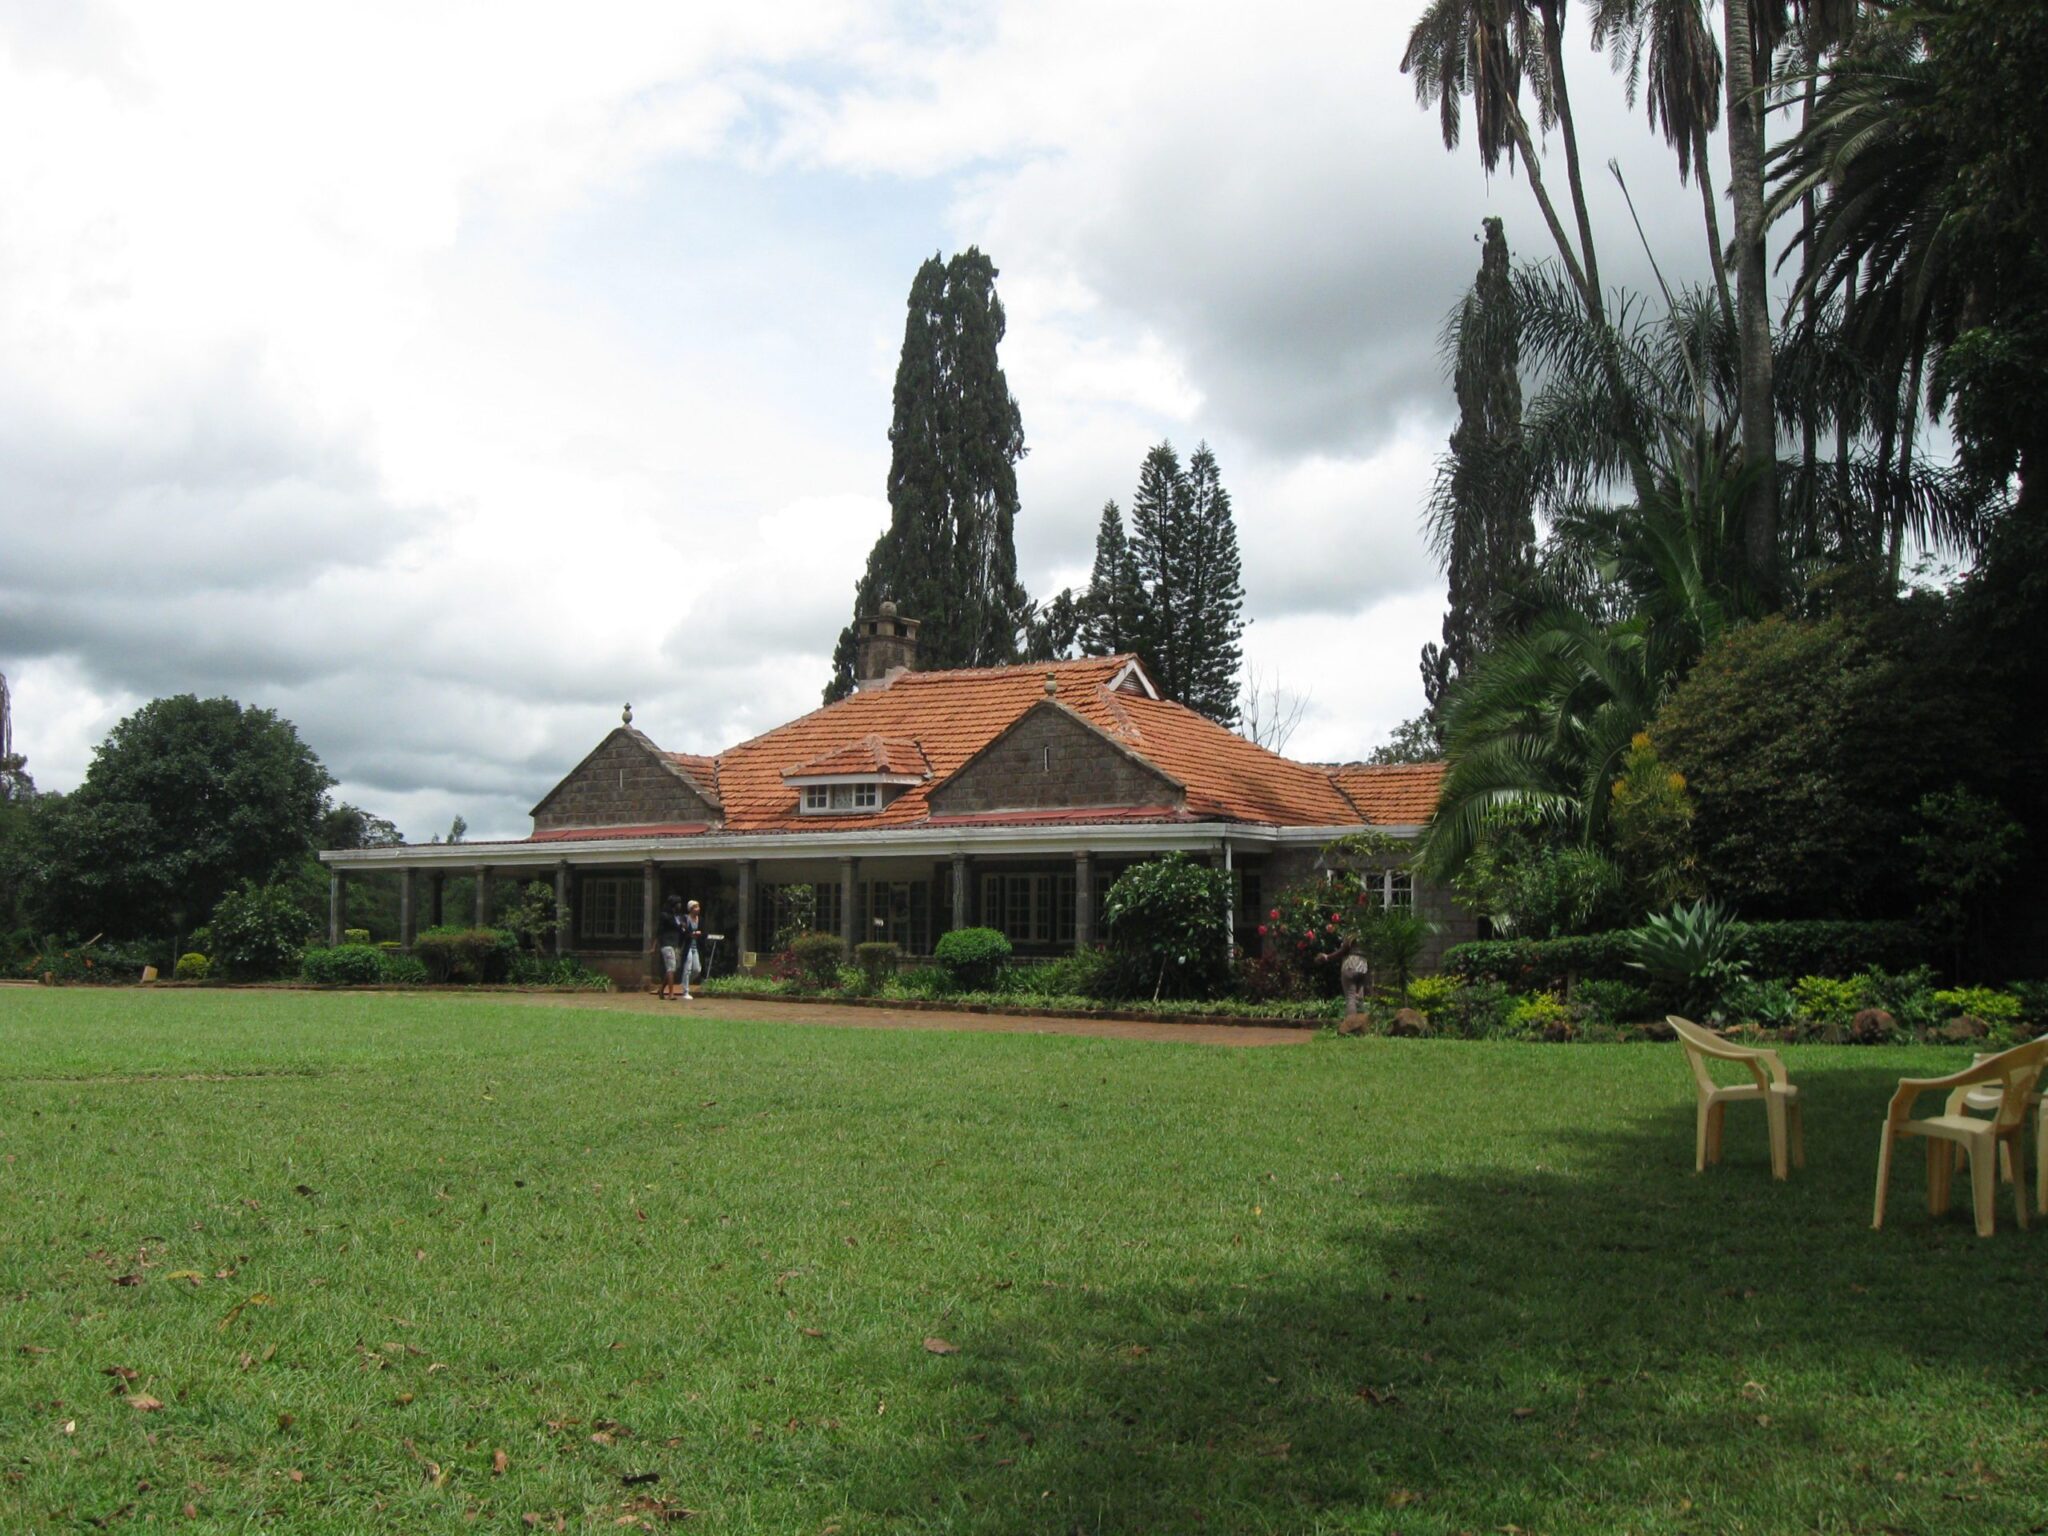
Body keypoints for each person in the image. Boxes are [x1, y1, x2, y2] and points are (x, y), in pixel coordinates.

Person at [656, 895, 686, 1001]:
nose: (680, 905)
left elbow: (681, 928)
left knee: (672, 968)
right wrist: (654, 945)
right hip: (667, 944)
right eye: (678, 903)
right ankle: (671, 993)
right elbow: (659, 931)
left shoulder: (677, 916)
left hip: (675, 943)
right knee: (671, 967)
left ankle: (661, 990)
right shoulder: (665, 916)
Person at [679, 899, 705, 1000]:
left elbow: (703, 931)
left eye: (698, 907)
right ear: (690, 909)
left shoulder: (700, 919)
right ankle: (685, 991)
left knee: (697, 969)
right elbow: (683, 931)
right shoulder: (685, 919)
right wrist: (692, 934)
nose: (698, 909)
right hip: (687, 946)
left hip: (696, 947)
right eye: (695, 907)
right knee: (688, 968)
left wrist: (700, 934)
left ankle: (684, 983)